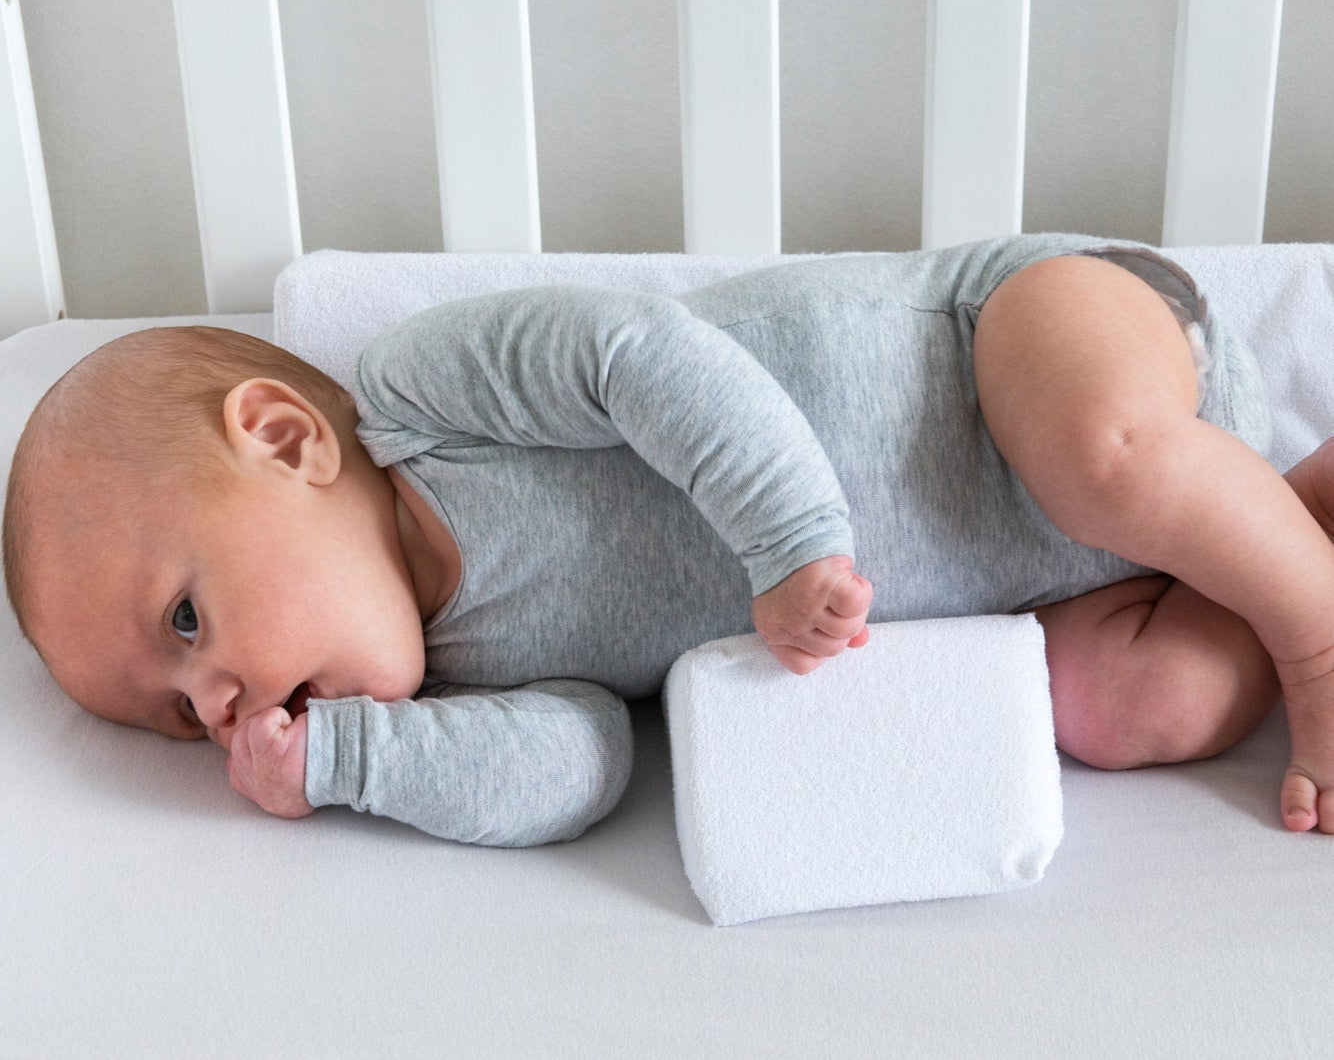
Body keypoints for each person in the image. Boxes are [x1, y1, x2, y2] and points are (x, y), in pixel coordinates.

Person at [4, 231, 1332, 846]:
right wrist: (355, 759)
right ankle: (1301, 513)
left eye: (184, 621)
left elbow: (636, 354)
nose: (215, 694)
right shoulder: (470, 681)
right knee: (1126, 701)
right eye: (182, 714)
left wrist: (788, 538)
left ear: (285, 439)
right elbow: (579, 768)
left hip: (1018, 345)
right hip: (1067, 573)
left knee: (1106, 455)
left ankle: (1314, 632)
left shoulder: (422, 398)